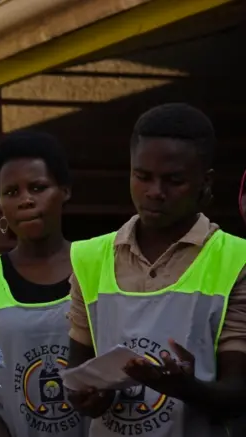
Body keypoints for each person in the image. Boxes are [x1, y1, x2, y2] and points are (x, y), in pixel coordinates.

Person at [66, 103, 246, 437]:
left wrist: (187, 388)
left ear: (205, 181)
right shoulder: (89, 257)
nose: (155, 192)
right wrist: (90, 397)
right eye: (142, 176)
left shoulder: (238, 259)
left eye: (173, 180)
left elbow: (238, 394)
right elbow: (78, 373)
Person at [0, 131, 87, 437]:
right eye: (11, 192)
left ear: (64, 190)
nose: (25, 200)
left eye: (38, 188)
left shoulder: (99, 265)